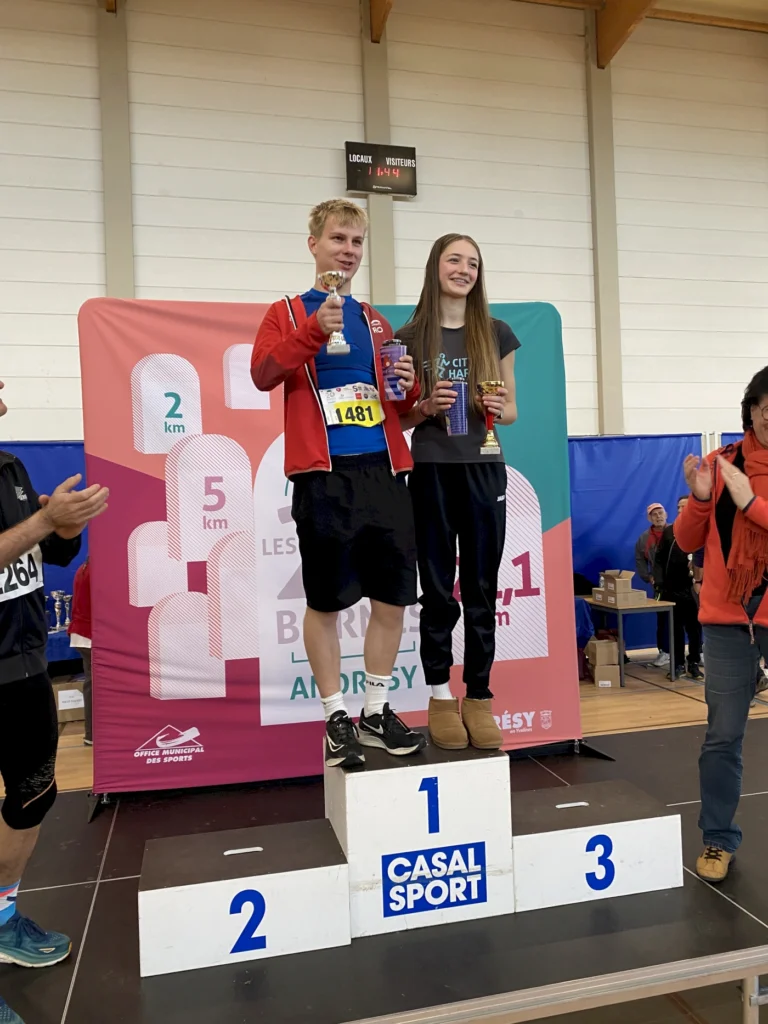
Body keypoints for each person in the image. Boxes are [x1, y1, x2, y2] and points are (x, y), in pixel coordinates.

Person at [251, 199, 426, 769]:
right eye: (338, 239)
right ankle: (334, 715)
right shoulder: (285, 310)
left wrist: (408, 387)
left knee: (393, 599)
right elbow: (262, 373)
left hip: (384, 471)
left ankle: (375, 708)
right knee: (326, 602)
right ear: (314, 245)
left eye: (356, 242)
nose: (347, 251)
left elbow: (394, 407)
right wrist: (310, 332)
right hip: (324, 479)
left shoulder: (374, 319)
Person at [0, 381, 108, 1024]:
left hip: (23, 665)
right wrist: (41, 522)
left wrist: (60, 526)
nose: (6, 405)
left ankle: (4, 917)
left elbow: (36, 550)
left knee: (34, 794)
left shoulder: (9, 465)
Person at [397, 234, 519, 750]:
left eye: (472, 263)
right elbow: (397, 419)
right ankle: (440, 694)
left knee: (482, 591)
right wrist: (425, 408)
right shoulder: (408, 337)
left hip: (484, 470)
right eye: (455, 260)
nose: (464, 270)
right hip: (430, 471)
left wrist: (490, 404)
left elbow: (510, 411)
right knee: (439, 592)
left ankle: (481, 696)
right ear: (436, 268)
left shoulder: (496, 333)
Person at [675, 366, 768, 883]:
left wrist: (749, 503)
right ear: (752, 408)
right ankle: (716, 839)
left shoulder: (742, 482)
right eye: (764, 404)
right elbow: (688, 541)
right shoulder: (722, 462)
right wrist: (704, 498)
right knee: (722, 736)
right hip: (728, 621)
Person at [654, 496, 702, 680]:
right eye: (678, 507)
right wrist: (659, 583)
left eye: (685, 507)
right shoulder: (669, 532)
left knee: (695, 629)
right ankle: (678, 664)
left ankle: (694, 663)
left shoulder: (701, 529)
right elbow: (658, 559)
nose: (681, 510)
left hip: (694, 589)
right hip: (672, 589)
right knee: (675, 629)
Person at [635, 502, 669, 668]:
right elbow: (640, 559)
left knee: (690, 618)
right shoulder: (644, 538)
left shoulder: (677, 532)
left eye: (660, 513)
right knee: (663, 619)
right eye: (654, 514)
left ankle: (696, 652)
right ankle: (665, 652)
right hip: (660, 586)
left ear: (666, 514)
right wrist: (648, 577)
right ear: (649, 518)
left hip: (682, 584)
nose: (658, 517)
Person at [68, 556, 92, 745]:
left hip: (81, 633)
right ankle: (92, 734)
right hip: (88, 634)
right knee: (94, 687)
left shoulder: (83, 568)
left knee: (92, 685)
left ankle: (91, 733)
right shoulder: (95, 571)